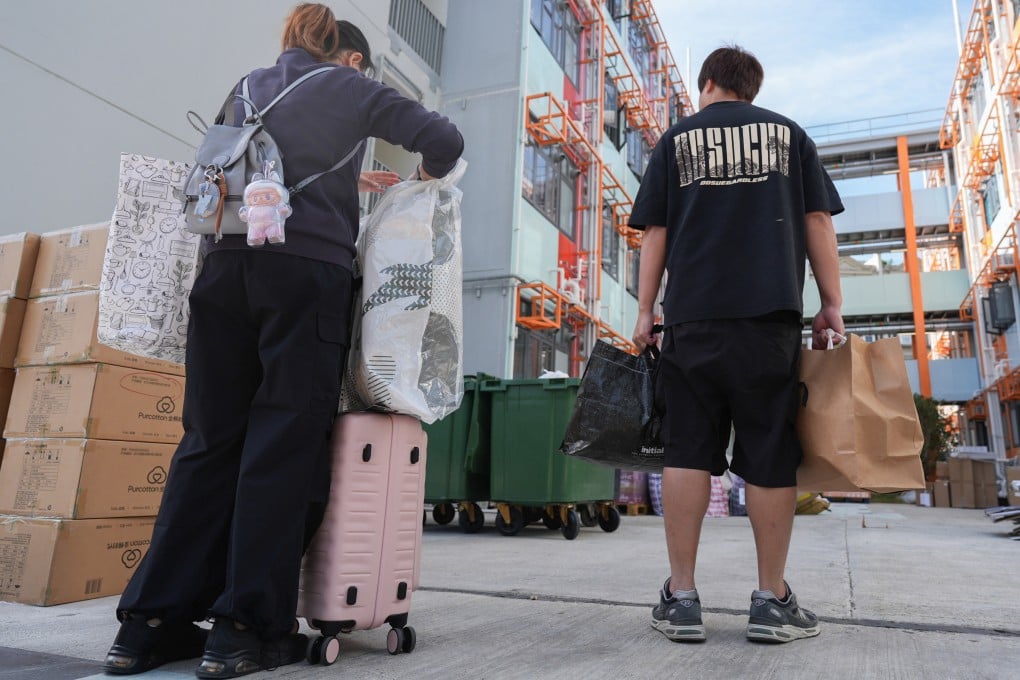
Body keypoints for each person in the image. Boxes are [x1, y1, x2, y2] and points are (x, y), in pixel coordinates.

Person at [103, 4, 463, 677]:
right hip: (303, 281)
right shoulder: (351, 87)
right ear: (351, 57)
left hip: (224, 271)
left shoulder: (248, 86)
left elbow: (238, 170)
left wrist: (341, 177)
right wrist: (419, 181)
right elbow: (442, 138)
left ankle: (149, 626)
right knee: (281, 444)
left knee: (208, 444)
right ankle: (244, 630)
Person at [629, 45, 844, 644]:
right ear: (750, 88)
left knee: (688, 451)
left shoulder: (675, 141)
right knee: (771, 453)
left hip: (693, 321)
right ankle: (771, 601)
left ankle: (683, 598)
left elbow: (656, 234)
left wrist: (646, 312)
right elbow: (817, 221)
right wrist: (831, 303)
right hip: (768, 320)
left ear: (707, 84)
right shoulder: (788, 135)